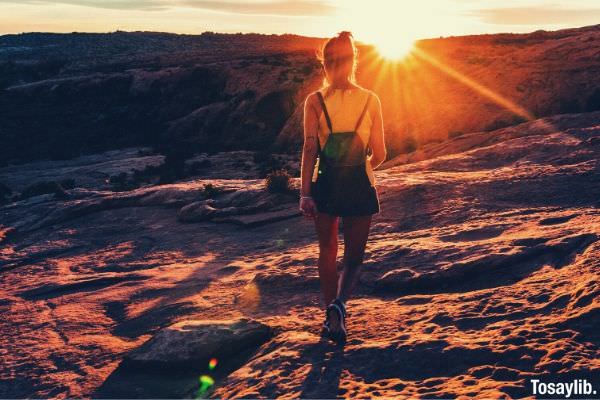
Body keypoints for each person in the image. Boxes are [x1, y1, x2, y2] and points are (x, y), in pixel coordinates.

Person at [299, 31, 387, 344]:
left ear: (325, 63)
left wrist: (305, 192)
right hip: (360, 185)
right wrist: (361, 169)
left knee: (327, 251)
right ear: (352, 62)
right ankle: (340, 305)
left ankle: (330, 319)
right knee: (354, 259)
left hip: (326, 185)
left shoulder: (315, 101)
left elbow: (310, 148)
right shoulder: (370, 99)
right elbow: (381, 153)